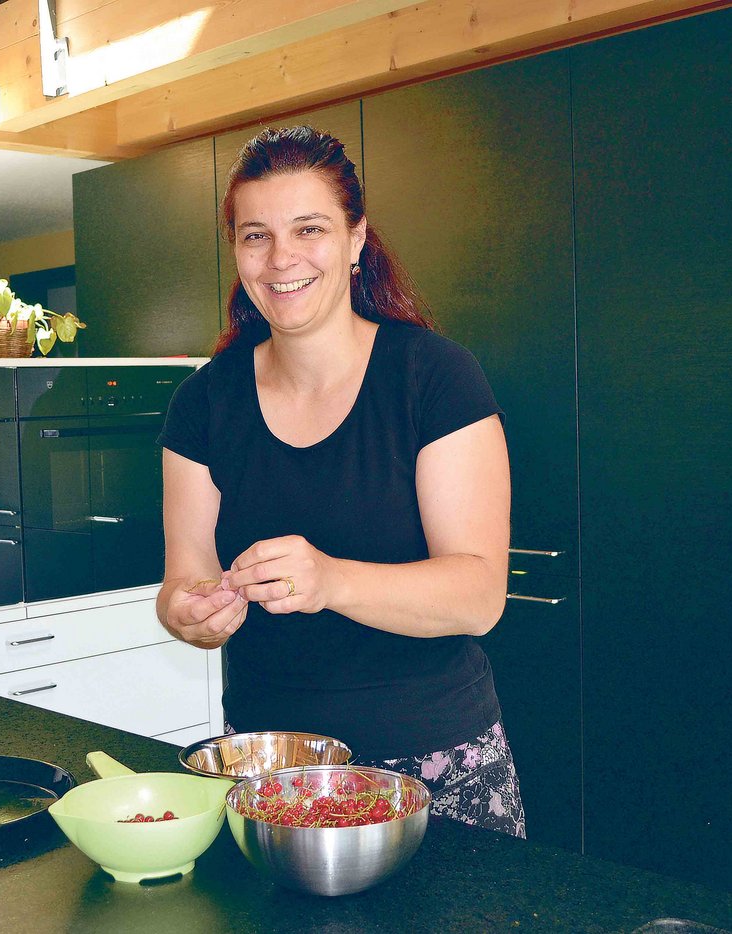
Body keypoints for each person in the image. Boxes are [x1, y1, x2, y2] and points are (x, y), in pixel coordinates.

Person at [155, 125, 524, 837]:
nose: (281, 258)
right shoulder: (203, 403)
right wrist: (189, 613)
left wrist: (329, 580)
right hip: (267, 771)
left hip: (435, 769)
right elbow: (183, 581)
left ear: (356, 239)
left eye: (309, 229)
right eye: (256, 236)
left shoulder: (435, 377)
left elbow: (479, 596)